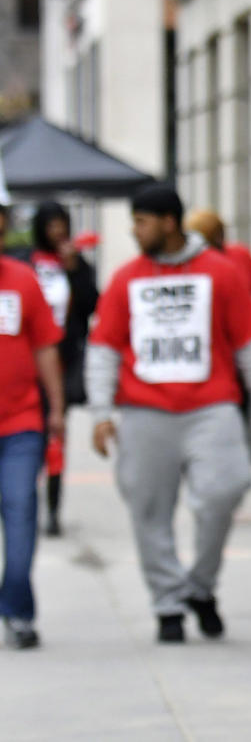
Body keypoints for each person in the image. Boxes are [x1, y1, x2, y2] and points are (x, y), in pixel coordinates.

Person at [85, 184, 251, 643]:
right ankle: (168, 603)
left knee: (225, 489)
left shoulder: (221, 273)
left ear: (168, 223)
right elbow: (104, 349)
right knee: (148, 510)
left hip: (212, 406)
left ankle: (200, 585)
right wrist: (100, 412)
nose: (134, 231)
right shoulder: (126, 278)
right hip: (143, 410)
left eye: (141, 221)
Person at [0, 204, 64, 649]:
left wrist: (56, 407)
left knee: (21, 508)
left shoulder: (22, 281)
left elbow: (44, 347)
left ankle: (18, 609)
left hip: (21, 421)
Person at [29, 201, 99, 536]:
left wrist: (73, 270)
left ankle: (54, 509)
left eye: (62, 223)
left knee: (56, 433)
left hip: (64, 360)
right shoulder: (24, 262)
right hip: (26, 366)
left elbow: (91, 305)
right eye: (51, 224)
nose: (57, 231)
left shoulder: (76, 263)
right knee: (30, 436)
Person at [183, 208, 251, 312]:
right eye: (215, 234)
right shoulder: (191, 264)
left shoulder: (239, 253)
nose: (221, 238)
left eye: (221, 231)